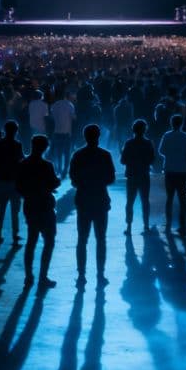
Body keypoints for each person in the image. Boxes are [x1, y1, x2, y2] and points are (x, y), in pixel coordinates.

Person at [69, 123, 116, 287]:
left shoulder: (78, 155)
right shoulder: (105, 155)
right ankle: (100, 274)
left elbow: (73, 179)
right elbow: (111, 178)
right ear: (98, 136)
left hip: (83, 199)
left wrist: (85, 182)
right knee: (101, 238)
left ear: (84, 136)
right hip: (100, 199)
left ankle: (81, 275)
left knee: (82, 238)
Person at [16, 133, 59, 293]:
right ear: (45, 147)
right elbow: (54, 182)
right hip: (45, 206)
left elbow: (18, 186)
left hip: (30, 205)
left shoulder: (23, 164)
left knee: (31, 240)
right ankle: (43, 276)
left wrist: (29, 194)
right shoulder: (47, 165)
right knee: (49, 241)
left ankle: (29, 276)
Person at [158, 113, 186, 234]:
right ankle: (183, 224)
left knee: (169, 197)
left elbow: (161, 151)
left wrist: (170, 154)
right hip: (182, 170)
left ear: (171, 123)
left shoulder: (167, 136)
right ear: (181, 123)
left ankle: (168, 222)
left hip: (169, 169)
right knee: (183, 198)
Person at [120, 119, 156, 233]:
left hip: (131, 174)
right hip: (144, 174)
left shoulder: (129, 143)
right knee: (145, 200)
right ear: (145, 130)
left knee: (130, 201)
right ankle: (146, 225)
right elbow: (152, 159)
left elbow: (123, 160)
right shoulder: (148, 143)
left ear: (133, 130)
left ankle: (129, 226)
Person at [0, 120, 23, 246]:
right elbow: (21, 160)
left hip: (1, 179)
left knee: (0, 210)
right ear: (16, 131)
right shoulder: (17, 145)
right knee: (15, 211)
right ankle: (15, 234)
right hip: (14, 180)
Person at [50, 91, 76, 177]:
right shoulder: (70, 105)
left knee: (58, 152)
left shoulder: (54, 105)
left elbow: (52, 117)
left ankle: (59, 169)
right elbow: (73, 117)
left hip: (57, 131)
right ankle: (65, 170)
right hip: (67, 132)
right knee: (67, 152)